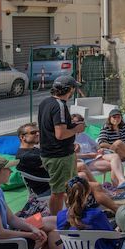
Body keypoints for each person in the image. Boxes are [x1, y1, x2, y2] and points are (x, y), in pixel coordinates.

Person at [57, 176, 124, 249]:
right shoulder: (96, 214)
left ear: (66, 195)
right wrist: (119, 229)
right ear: (88, 193)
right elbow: (112, 237)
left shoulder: (60, 216)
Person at [37, 75, 83, 215]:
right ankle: (57, 221)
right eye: (73, 88)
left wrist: (72, 125)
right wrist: (77, 129)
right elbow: (60, 134)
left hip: (51, 153)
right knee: (58, 192)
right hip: (59, 156)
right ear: (69, 89)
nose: (74, 91)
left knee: (68, 188)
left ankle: (69, 214)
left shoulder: (45, 102)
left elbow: (51, 128)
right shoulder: (60, 106)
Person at [72, 114, 125, 196]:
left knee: (115, 158)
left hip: (94, 158)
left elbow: (96, 145)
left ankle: (120, 183)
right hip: (85, 161)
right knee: (114, 165)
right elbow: (71, 156)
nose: (83, 126)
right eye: (81, 123)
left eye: (83, 123)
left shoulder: (84, 135)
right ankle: (115, 187)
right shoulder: (69, 138)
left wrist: (99, 149)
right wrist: (89, 155)